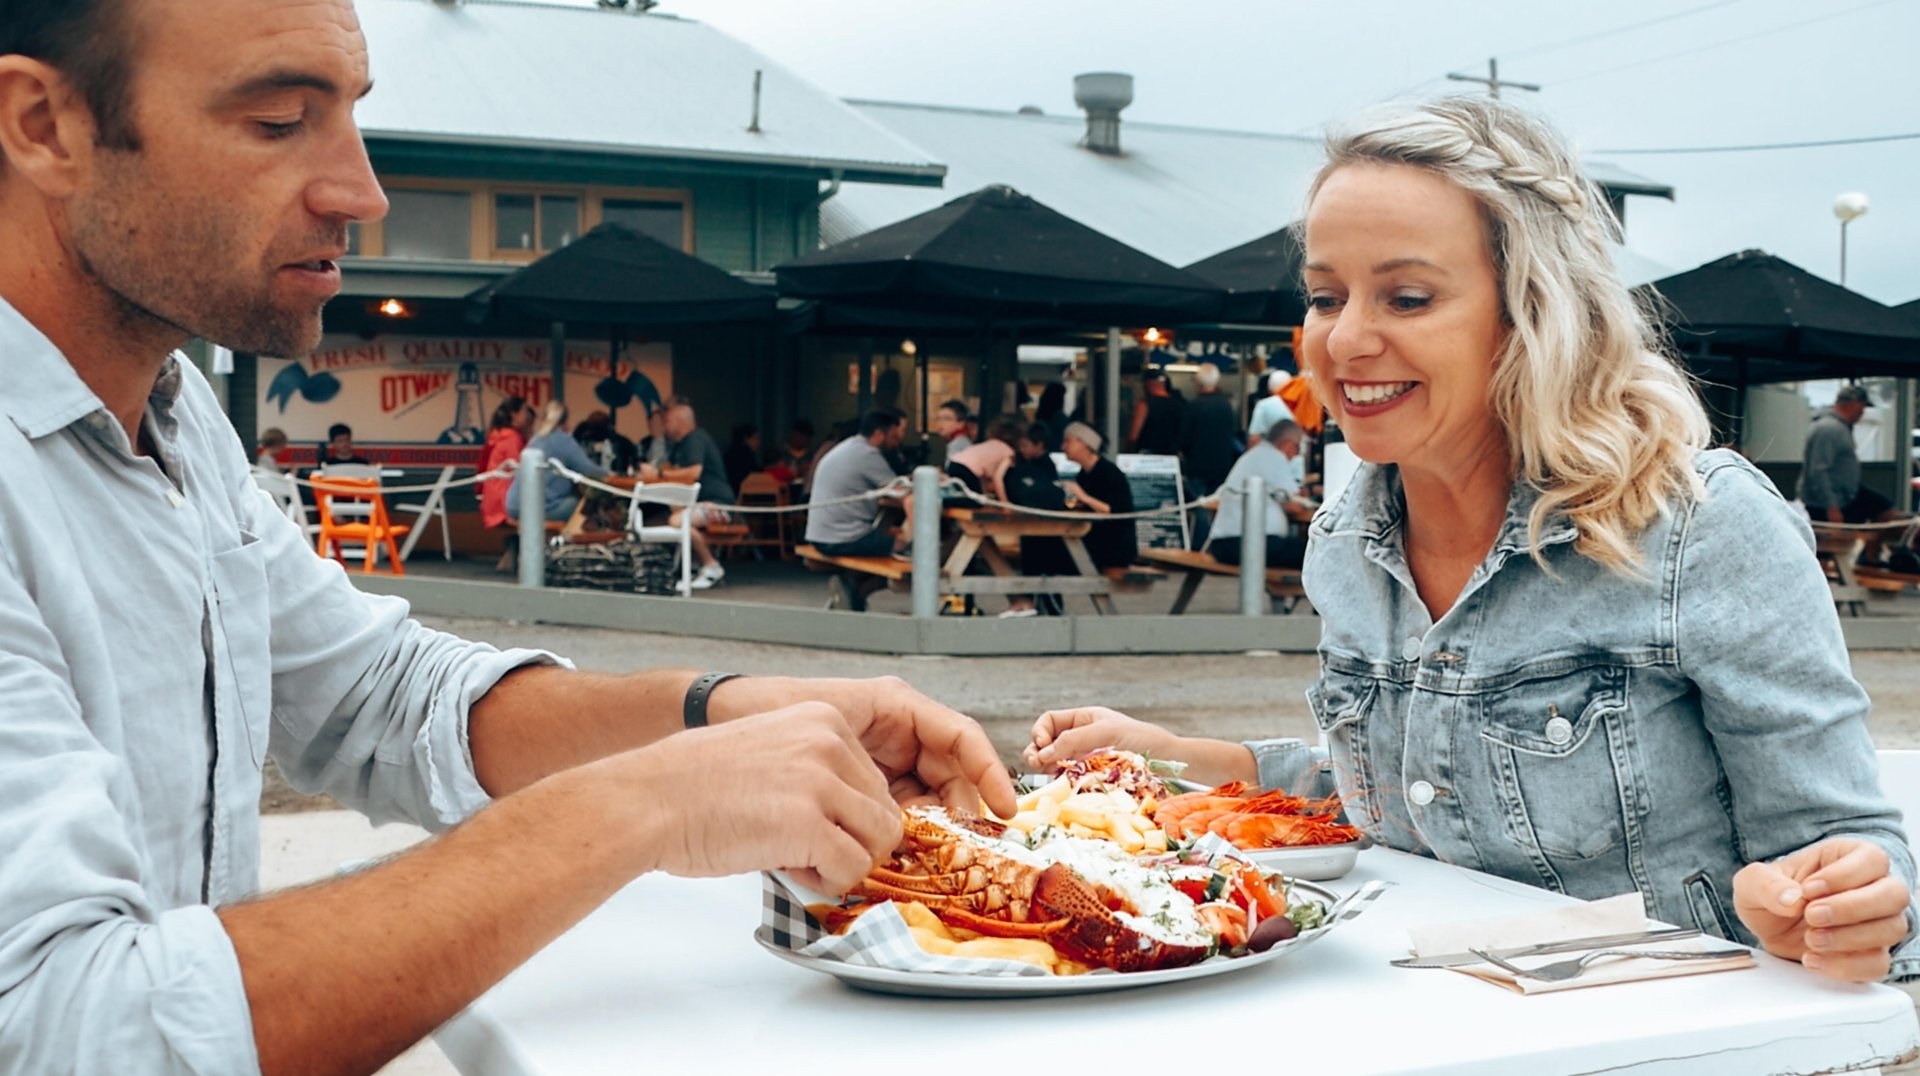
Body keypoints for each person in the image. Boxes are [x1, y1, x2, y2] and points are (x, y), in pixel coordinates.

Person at [0, 6, 1016, 1072]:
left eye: (348, 116)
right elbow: (67, 1020)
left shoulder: (175, 412)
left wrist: (711, 713)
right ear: (42, 123)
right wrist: (647, 798)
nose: (362, 192)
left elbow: (374, 693)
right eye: (280, 120)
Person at [1027, 97, 1916, 984]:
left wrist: (1833, 908)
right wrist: (1180, 757)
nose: (1345, 338)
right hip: (1424, 1022)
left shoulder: (1697, 526)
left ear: (1530, 314)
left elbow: (1852, 852)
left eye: (1407, 297)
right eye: (1325, 296)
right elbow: (1416, 788)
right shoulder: (1346, 540)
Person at [806, 410, 912, 611]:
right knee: (905, 551)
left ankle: (853, 591)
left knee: (885, 537)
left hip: (821, 533)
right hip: (841, 537)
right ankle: (856, 590)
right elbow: (900, 493)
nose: (896, 442)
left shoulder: (849, 447)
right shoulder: (868, 455)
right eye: (893, 436)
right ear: (879, 434)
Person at [1802, 385, 1901, 561]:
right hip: (1831, 499)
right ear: (1851, 404)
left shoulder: (1840, 427)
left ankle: (1871, 555)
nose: (1862, 413)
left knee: (1888, 513)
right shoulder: (1829, 428)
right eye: (1861, 407)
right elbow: (1818, 470)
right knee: (1828, 548)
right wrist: (1831, 506)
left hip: (1848, 493)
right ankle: (1866, 557)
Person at [644, 401, 732, 590]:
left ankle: (710, 565)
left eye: (667, 422)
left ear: (678, 421)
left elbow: (693, 473)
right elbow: (673, 469)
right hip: (696, 504)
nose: (665, 427)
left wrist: (658, 474)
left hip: (718, 504)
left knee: (677, 521)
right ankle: (689, 567)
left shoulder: (695, 439)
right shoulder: (680, 445)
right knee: (665, 519)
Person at [1208, 419, 1309, 569]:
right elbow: (1293, 506)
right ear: (1287, 444)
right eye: (1297, 447)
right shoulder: (1274, 457)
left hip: (1225, 544)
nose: (1296, 455)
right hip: (1248, 544)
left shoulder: (1254, 455)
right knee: (1312, 553)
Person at [1000, 421, 1073, 618]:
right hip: (1031, 526)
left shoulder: (1045, 467)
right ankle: (1031, 603)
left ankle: (1049, 607)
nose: (1022, 450)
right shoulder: (1025, 464)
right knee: (1030, 564)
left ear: (1039, 445)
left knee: (1044, 567)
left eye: (1026, 446)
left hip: (1047, 528)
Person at [506, 400, 606, 527]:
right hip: (537, 509)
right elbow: (587, 469)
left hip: (514, 506)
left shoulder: (536, 439)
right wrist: (611, 474)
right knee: (578, 504)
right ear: (565, 422)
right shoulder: (562, 440)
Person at [1059, 421, 1137, 573]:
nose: (1063, 447)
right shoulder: (1084, 474)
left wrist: (1083, 496)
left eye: (1068, 441)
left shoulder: (1110, 473)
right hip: (1095, 538)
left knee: (1049, 553)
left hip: (1113, 547)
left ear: (1085, 444)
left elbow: (1113, 511)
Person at [480, 395, 534, 572]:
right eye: (525, 411)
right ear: (514, 415)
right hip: (504, 499)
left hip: (493, 497)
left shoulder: (499, 435)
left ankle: (514, 552)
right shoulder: (512, 439)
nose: (528, 416)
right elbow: (522, 471)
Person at [1176, 361, 1241, 496]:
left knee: (1199, 505)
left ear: (1198, 382)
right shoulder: (1226, 406)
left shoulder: (1193, 406)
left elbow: (1184, 438)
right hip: (1222, 465)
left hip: (1197, 465)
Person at [944, 416, 1019, 501]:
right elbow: (998, 478)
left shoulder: (987, 444)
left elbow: (982, 477)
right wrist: (1005, 503)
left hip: (954, 463)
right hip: (968, 469)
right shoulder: (1008, 452)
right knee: (974, 500)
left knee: (963, 494)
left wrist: (985, 494)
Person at [1127, 369, 1182, 455]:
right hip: (1171, 457)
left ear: (1148, 383)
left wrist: (1128, 452)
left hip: (1147, 457)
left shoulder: (1144, 405)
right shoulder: (1179, 405)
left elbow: (1133, 436)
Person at [572, 409, 638, 476]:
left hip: (613, 476)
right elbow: (576, 454)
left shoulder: (618, 442)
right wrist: (592, 448)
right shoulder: (583, 439)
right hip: (589, 477)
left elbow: (632, 453)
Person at [1247, 368, 1295, 441]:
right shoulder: (1300, 404)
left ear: (1269, 387)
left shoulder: (1264, 405)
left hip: (1268, 449)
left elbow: (1254, 438)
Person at [724, 422, 762, 496]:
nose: (758, 443)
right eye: (756, 439)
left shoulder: (730, 452)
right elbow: (754, 474)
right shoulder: (745, 454)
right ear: (746, 439)